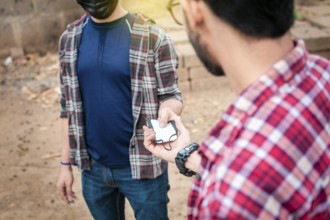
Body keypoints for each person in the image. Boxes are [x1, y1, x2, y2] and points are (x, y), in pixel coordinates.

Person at [144, 0, 330, 219]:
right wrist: (187, 155)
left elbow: (245, 180)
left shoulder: (230, 198)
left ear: (195, 9)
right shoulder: (322, 72)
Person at [56, 0, 183, 219]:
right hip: (92, 168)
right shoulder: (69, 40)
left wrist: (169, 110)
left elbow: (171, 95)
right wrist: (65, 165)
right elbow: (68, 107)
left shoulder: (153, 37)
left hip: (143, 166)